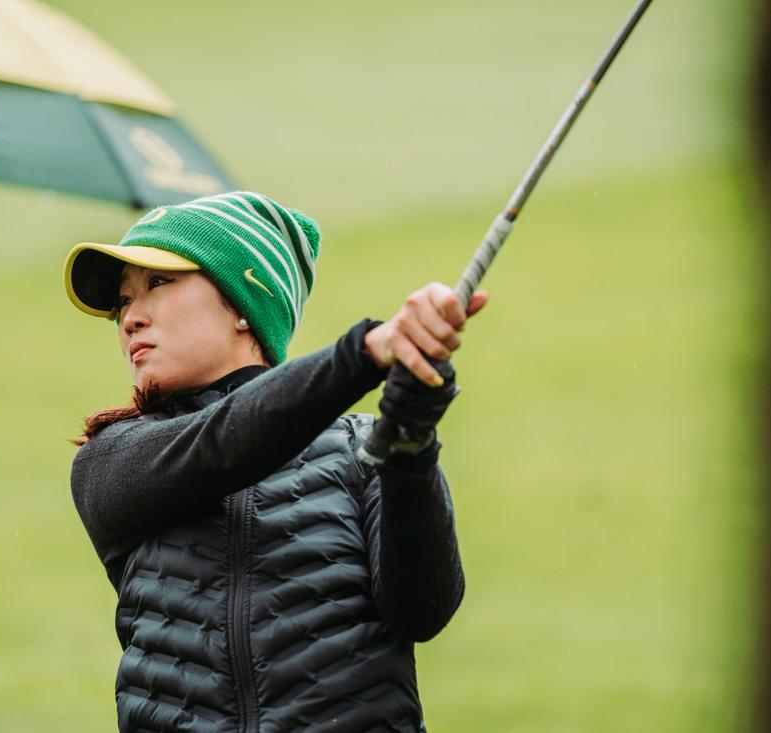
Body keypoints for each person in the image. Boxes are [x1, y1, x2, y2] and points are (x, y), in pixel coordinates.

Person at [63, 192, 488, 732]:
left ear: (244, 304)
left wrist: (410, 440)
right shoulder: (114, 456)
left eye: (159, 284)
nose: (130, 319)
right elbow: (226, 443)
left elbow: (423, 610)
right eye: (123, 302)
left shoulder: (363, 450)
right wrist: (367, 354)